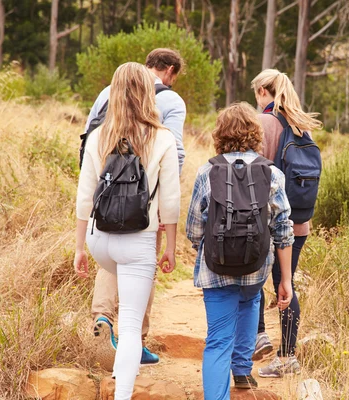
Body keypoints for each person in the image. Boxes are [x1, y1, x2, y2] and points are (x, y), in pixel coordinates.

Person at [74, 62, 180, 400]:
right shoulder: (162, 137)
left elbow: (84, 196)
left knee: (117, 278)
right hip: (138, 241)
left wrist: (79, 248)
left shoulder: (96, 135)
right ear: (149, 92)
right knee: (132, 326)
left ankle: (118, 364)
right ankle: (122, 393)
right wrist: (171, 248)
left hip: (100, 240)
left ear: (114, 91)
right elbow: (171, 202)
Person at [186, 102, 294, 399]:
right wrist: (285, 280)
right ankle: (242, 369)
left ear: (219, 134)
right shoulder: (271, 174)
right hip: (255, 266)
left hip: (216, 267)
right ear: (255, 133)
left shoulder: (207, 171)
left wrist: (209, 249)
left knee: (218, 340)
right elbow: (283, 230)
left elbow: (194, 228)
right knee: (250, 301)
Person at [250, 69, 323, 377]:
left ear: (263, 92)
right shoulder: (301, 127)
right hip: (299, 224)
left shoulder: (266, 123)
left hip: (268, 221)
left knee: (252, 280)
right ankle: (287, 357)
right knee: (286, 284)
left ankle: (259, 337)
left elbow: (252, 173)